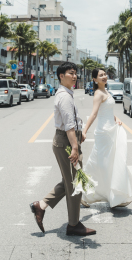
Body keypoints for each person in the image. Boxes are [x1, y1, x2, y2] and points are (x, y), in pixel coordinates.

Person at [30, 62, 96, 237]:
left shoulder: (66, 94)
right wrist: (74, 147)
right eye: (70, 73)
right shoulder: (65, 96)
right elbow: (68, 125)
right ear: (61, 76)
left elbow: (72, 122)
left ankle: (41, 205)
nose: (74, 76)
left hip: (66, 140)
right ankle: (73, 224)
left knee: (69, 180)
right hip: (66, 142)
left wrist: (79, 134)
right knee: (75, 183)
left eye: (75, 73)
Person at [81, 68, 132, 208]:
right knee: (102, 165)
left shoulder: (106, 91)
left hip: (111, 130)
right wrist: (84, 131)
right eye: (100, 75)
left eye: (104, 74)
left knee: (107, 163)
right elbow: (94, 114)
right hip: (103, 133)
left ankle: (113, 197)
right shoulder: (98, 93)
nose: (104, 76)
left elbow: (106, 110)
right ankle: (85, 193)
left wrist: (116, 118)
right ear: (94, 79)